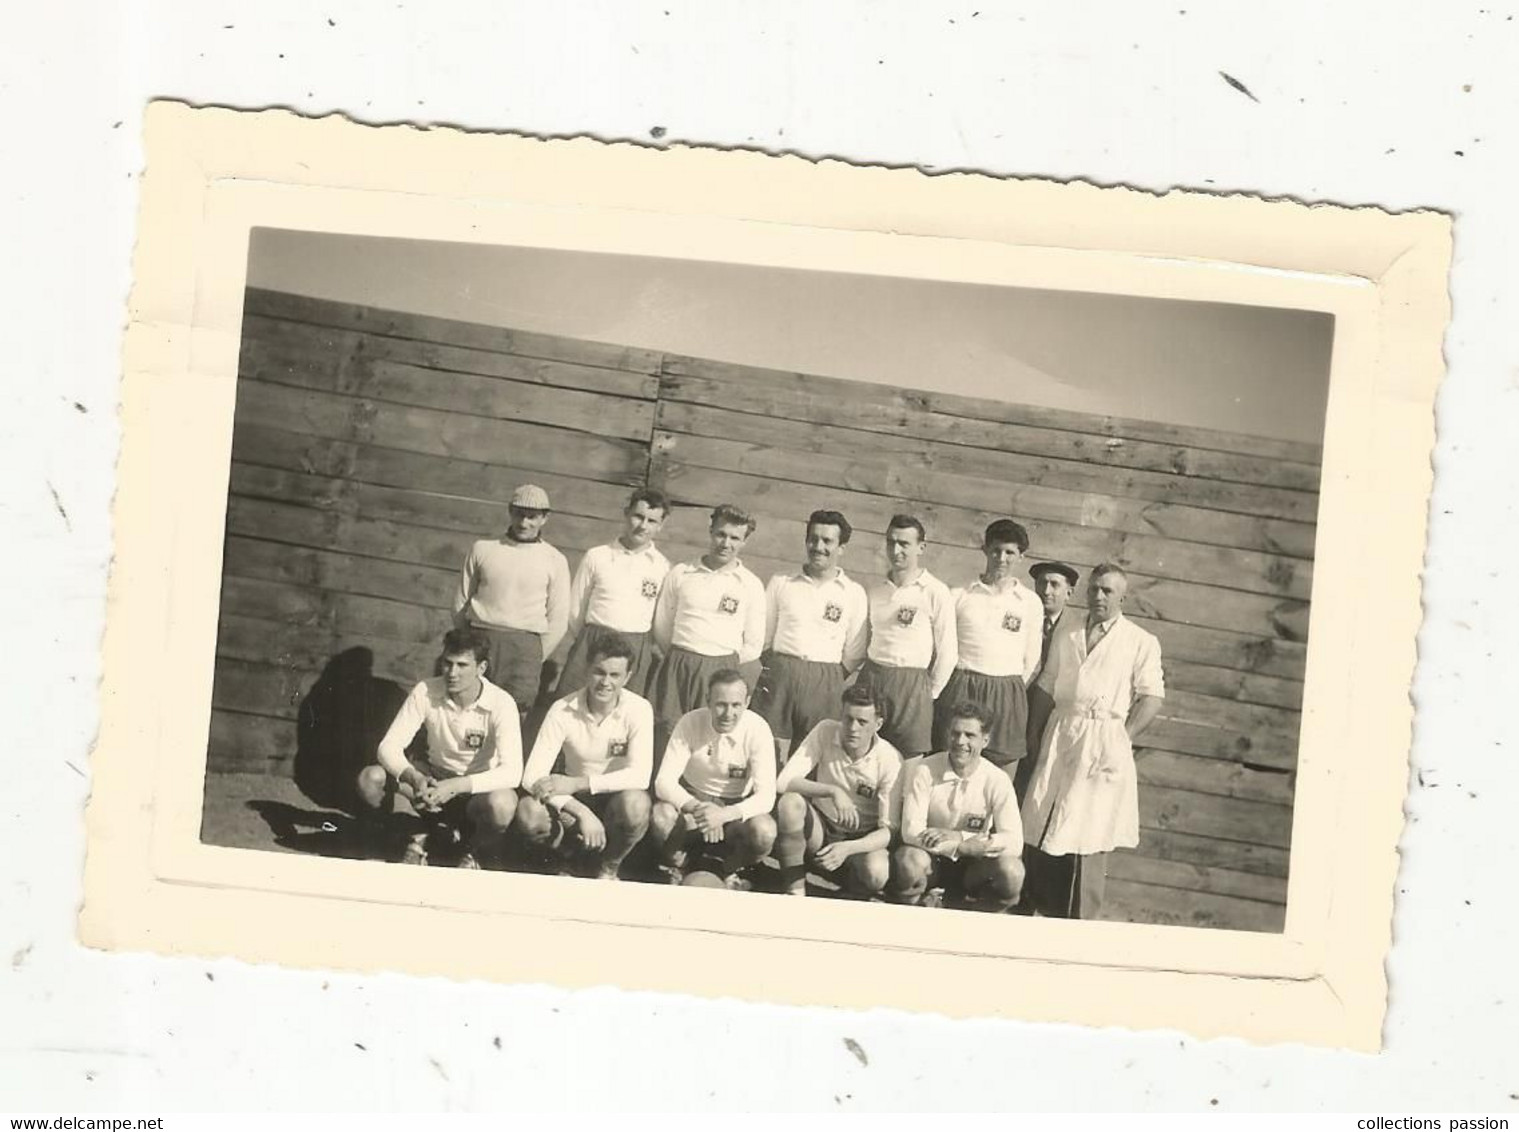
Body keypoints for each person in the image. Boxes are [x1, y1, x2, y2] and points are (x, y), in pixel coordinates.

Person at [1021, 563, 1165, 920]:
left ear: (1123, 597)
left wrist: (1122, 739)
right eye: (1094, 589)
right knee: (1046, 821)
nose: (1099, 596)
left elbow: (1152, 697)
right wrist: (1035, 734)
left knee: (1090, 832)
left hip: (1102, 740)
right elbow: (1046, 683)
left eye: (1108, 591)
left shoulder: (1140, 641)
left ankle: (1083, 920)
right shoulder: (1068, 631)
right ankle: (1043, 911)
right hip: (1061, 731)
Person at [356, 628, 522, 869]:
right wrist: (415, 777)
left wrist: (455, 787)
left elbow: (512, 772)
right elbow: (388, 747)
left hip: (475, 793)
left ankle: (472, 851)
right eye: (447, 663)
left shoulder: (502, 702)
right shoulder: (426, 690)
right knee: (370, 778)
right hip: (432, 783)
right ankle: (411, 838)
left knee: (503, 803)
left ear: (481, 668)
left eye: (462, 665)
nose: (452, 673)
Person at [516, 634, 655, 881]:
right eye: (599, 672)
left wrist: (579, 783)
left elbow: (640, 776)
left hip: (616, 801)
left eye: (615, 675)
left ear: (628, 677)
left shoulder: (639, 709)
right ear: (587, 670)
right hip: (573, 801)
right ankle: (564, 861)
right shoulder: (562, 708)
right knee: (529, 811)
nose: (605, 682)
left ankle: (609, 867)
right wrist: (581, 811)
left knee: (636, 805)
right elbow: (532, 777)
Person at [753, 509, 869, 767]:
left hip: (825, 679)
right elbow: (764, 635)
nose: (818, 547)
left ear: (841, 548)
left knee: (810, 757)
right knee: (765, 749)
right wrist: (779, 667)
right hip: (781, 672)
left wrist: (831, 676)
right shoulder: (782, 582)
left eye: (827, 541)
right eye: (813, 539)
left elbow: (855, 650)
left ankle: (798, 806)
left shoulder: (853, 593)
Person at [935, 519, 1044, 780]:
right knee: (953, 762)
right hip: (963, 684)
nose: (1001, 559)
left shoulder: (1029, 602)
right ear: (985, 550)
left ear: (1021, 556)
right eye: (996, 550)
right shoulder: (959, 594)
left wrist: (1009, 687)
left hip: (1006, 689)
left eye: (1009, 552)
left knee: (1002, 769)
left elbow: (1032, 661)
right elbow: (944, 649)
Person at [647, 504, 766, 744]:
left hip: (721, 667)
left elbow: (753, 644)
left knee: (708, 738)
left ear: (744, 541)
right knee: (666, 734)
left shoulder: (750, 584)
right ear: (711, 531)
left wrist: (719, 660)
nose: (726, 543)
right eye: (721, 534)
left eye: (735, 538)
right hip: (678, 665)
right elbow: (662, 626)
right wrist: (683, 656)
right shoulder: (682, 573)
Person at [889, 703, 1025, 911]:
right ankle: (914, 915)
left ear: (985, 740)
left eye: (969, 735)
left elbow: (1015, 841)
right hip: (931, 860)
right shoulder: (925, 769)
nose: (960, 742)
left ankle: (977, 921)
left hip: (974, 865)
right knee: (908, 861)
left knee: (1012, 871)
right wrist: (957, 847)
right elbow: (910, 831)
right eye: (955, 733)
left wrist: (961, 838)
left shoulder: (997, 779)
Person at [649, 669, 778, 889]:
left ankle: (730, 870)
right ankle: (680, 866)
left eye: (736, 705)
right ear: (708, 700)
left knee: (765, 831)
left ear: (747, 702)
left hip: (734, 808)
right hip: (693, 805)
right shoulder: (690, 722)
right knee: (661, 816)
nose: (728, 713)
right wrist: (702, 810)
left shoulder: (758, 729)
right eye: (721, 704)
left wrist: (723, 815)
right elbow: (664, 782)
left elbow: (766, 796)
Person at [452, 484, 572, 717]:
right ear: (510, 511)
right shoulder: (483, 549)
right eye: (519, 514)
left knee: (514, 713)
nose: (524, 523)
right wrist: (469, 645)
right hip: (481, 638)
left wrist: (533, 656)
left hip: (524, 649)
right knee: (469, 706)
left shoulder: (555, 559)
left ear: (545, 518)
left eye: (532, 517)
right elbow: (460, 602)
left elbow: (558, 620)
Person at [774, 683, 903, 899]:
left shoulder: (890, 759)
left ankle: (849, 895)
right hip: (822, 828)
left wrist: (848, 849)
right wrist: (832, 791)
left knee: (877, 872)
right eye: (847, 719)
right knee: (790, 803)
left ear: (878, 724)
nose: (852, 728)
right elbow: (783, 781)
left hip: (861, 839)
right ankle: (795, 890)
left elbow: (888, 831)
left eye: (862, 722)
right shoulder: (825, 730)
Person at [857, 515, 957, 759]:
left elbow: (948, 653)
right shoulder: (875, 590)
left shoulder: (935, 591)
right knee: (865, 752)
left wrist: (928, 693)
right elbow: (863, 641)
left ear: (921, 547)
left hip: (913, 685)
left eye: (904, 544)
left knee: (909, 759)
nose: (896, 550)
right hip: (873, 675)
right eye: (891, 542)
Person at [558, 487, 672, 698]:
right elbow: (575, 611)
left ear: (661, 526)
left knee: (624, 711)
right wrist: (591, 640)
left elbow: (660, 621)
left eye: (652, 521)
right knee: (574, 704)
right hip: (593, 642)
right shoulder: (597, 556)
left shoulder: (662, 566)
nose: (643, 526)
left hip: (635, 647)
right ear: (626, 514)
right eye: (638, 516)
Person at [1028, 560, 1080, 677]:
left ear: (1068, 593)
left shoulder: (1076, 628)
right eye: (1042, 583)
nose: (1046, 591)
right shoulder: (1024, 618)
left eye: (1054, 585)